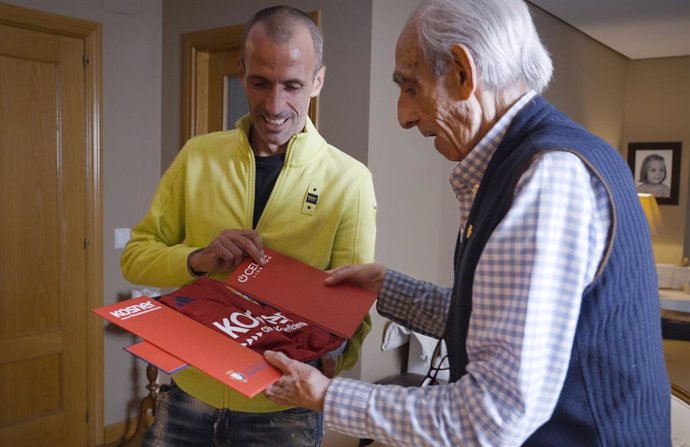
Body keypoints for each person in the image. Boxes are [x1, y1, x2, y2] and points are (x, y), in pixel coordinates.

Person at [263, 0, 670, 445]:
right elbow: (497, 319)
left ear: (462, 71)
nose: (403, 115)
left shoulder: (547, 178)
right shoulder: (538, 160)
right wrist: (386, 286)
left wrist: (327, 396)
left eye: (410, 87)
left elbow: (490, 419)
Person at [121, 5, 377, 446]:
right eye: (260, 82)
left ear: (318, 81)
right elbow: (136, 257)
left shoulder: (349, 180)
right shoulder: (197, 156)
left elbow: (354, 306)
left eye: (293, 85)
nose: (275, 105)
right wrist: (198, 259)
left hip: (281, 409)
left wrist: (332, 357)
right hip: (188, 393)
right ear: (242, 73)